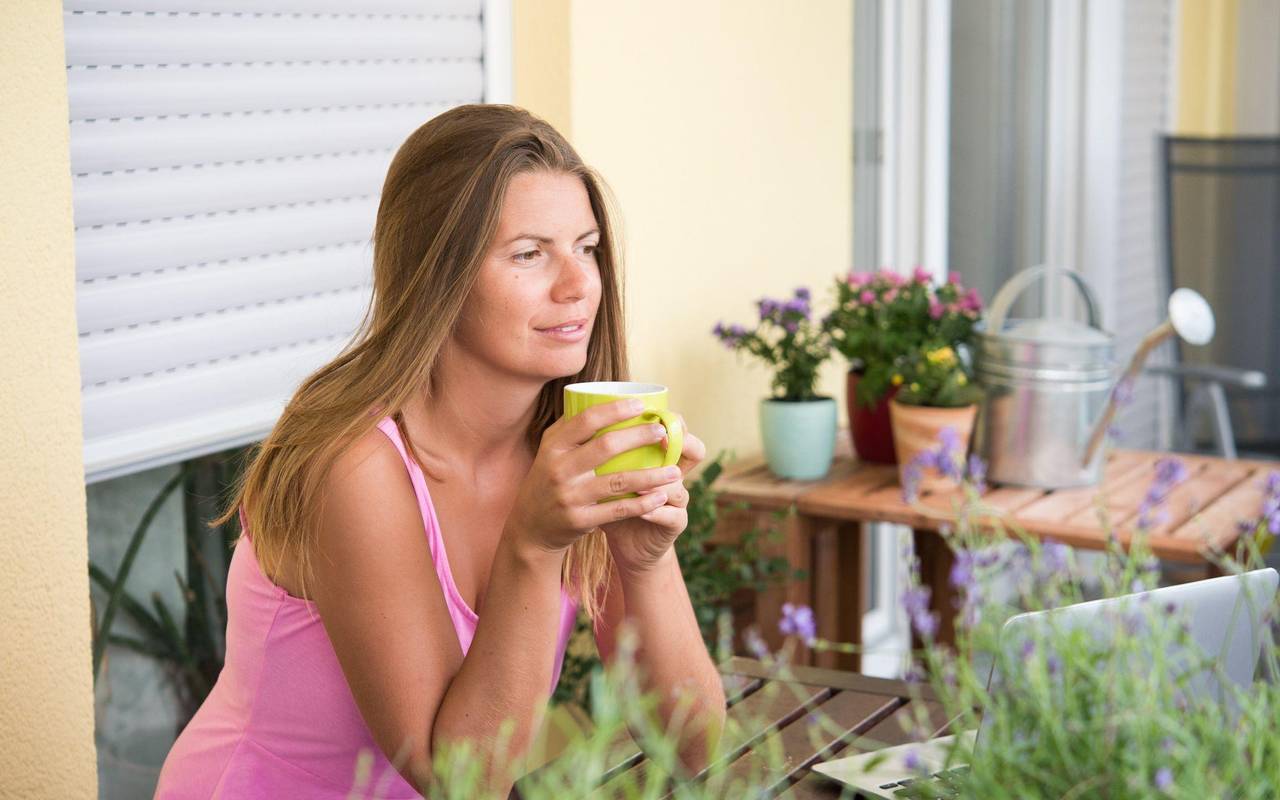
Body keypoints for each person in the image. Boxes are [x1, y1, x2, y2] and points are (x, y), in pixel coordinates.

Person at [153, 104, 726, 799]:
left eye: (587, 247)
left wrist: (644, 562)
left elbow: (693, 748)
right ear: (438, 275)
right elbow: (456, 781)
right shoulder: (355, 465)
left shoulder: (565, 453)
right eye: (529, 253)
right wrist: (534, 543)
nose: (579, 286)